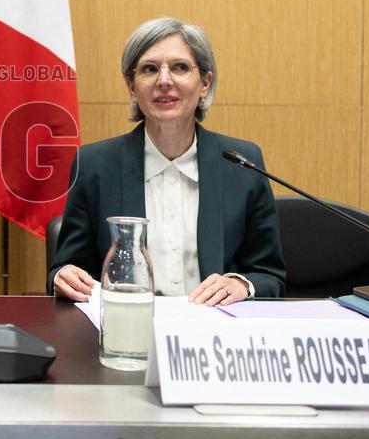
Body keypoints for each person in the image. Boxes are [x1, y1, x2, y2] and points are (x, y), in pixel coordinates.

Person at [48, 17, 285, 306]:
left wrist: (239, 284)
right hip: (128, 332)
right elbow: (66, 269)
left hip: (215, 336)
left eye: (180, 67)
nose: (164, 81)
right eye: (149, 69)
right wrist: (65, 275)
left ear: (204, 84)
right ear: (132, 87)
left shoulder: (242, 165)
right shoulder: (95, 165)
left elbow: (269, 275)